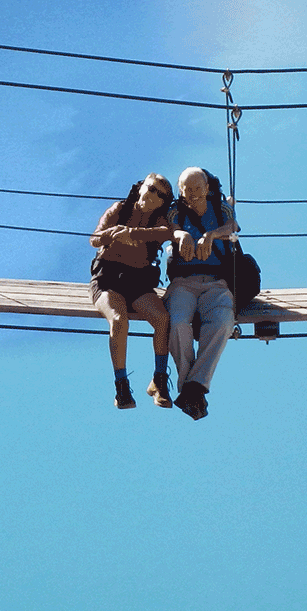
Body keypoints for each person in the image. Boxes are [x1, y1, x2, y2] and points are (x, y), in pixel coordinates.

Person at [89, 173, 176, 409]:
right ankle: (121, 386)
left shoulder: (160, 220)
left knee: (162, 319)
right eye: (150, 188)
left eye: (160, 194)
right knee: (119, 320)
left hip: (138, 282)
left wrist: (132, 234)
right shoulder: (120, 209)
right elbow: (94, 239)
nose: (153, 195)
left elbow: (165, 233)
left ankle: (159, 379)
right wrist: (114, 233)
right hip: (108, 279)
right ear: (140, 188)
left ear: (163, 201)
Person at [164, 167, 240, 421]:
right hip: (183, 283)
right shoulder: (176, 210)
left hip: (216, 282)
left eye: (199, 188)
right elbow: (171, 227)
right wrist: (182, 234)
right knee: (177, 325)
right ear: (181, 191)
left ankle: (191, 388)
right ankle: (194, 388)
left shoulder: (220, 209)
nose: (194, 194)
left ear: (207, 188)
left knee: (222, 323)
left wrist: (211, 235)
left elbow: (233, 226)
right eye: (188, 189)